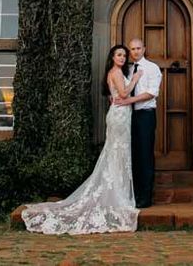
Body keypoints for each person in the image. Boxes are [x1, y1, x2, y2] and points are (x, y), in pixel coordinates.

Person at [21, 45, 143, 234]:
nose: (122, 58)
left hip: (120, 114)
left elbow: (115, 95)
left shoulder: (114, 72)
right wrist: (135, 79)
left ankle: (118, 194)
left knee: (117, 153)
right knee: (117, 153)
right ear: (112, 57)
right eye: (119, 55)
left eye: (124, 55)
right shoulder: (116, 72)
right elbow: (125, 93)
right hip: (119, 117)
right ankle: (118, 196)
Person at [113, 37, 162, 208]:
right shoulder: (127, 69)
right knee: (133, 155)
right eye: (132, 49)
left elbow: (151, 92)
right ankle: (133, 195)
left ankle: (145, 198)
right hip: (128, 116)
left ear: (144, 49)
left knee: (145, 155)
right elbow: (122, 90)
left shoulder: (152, 68)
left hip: (145, 115)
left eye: (138, 48)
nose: (135, 52)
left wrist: (129, 100)